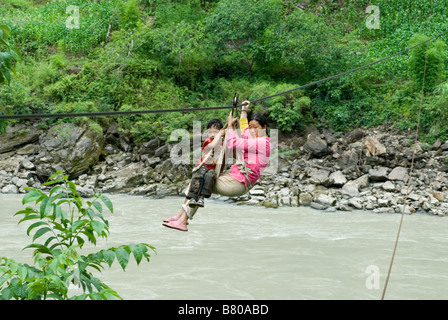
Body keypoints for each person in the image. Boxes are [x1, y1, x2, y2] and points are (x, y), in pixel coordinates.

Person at [162, 101, 271, 231]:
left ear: (264, 127)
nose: (252, 130)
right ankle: (180, 216)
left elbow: (232, 143)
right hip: (234, 178)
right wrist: (243, 110)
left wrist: (230, 126)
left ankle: (183, 221)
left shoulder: (263, 142)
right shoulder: (252, 136)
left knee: (200, 182)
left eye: (256, 127)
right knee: (196, 180)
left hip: (237, 183)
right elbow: (244, 127)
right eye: (251, 126)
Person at [186, 119, 224, 208]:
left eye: (215, 132)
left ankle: (201, 198)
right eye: (210, 132)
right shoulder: (208, 141)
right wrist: (219, 135)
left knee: (209, 177)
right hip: (204, 166)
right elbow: (213, 145)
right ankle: (193, 197)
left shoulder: (222, 144)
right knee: (197, 176)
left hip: (213, 169)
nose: (212, 134)